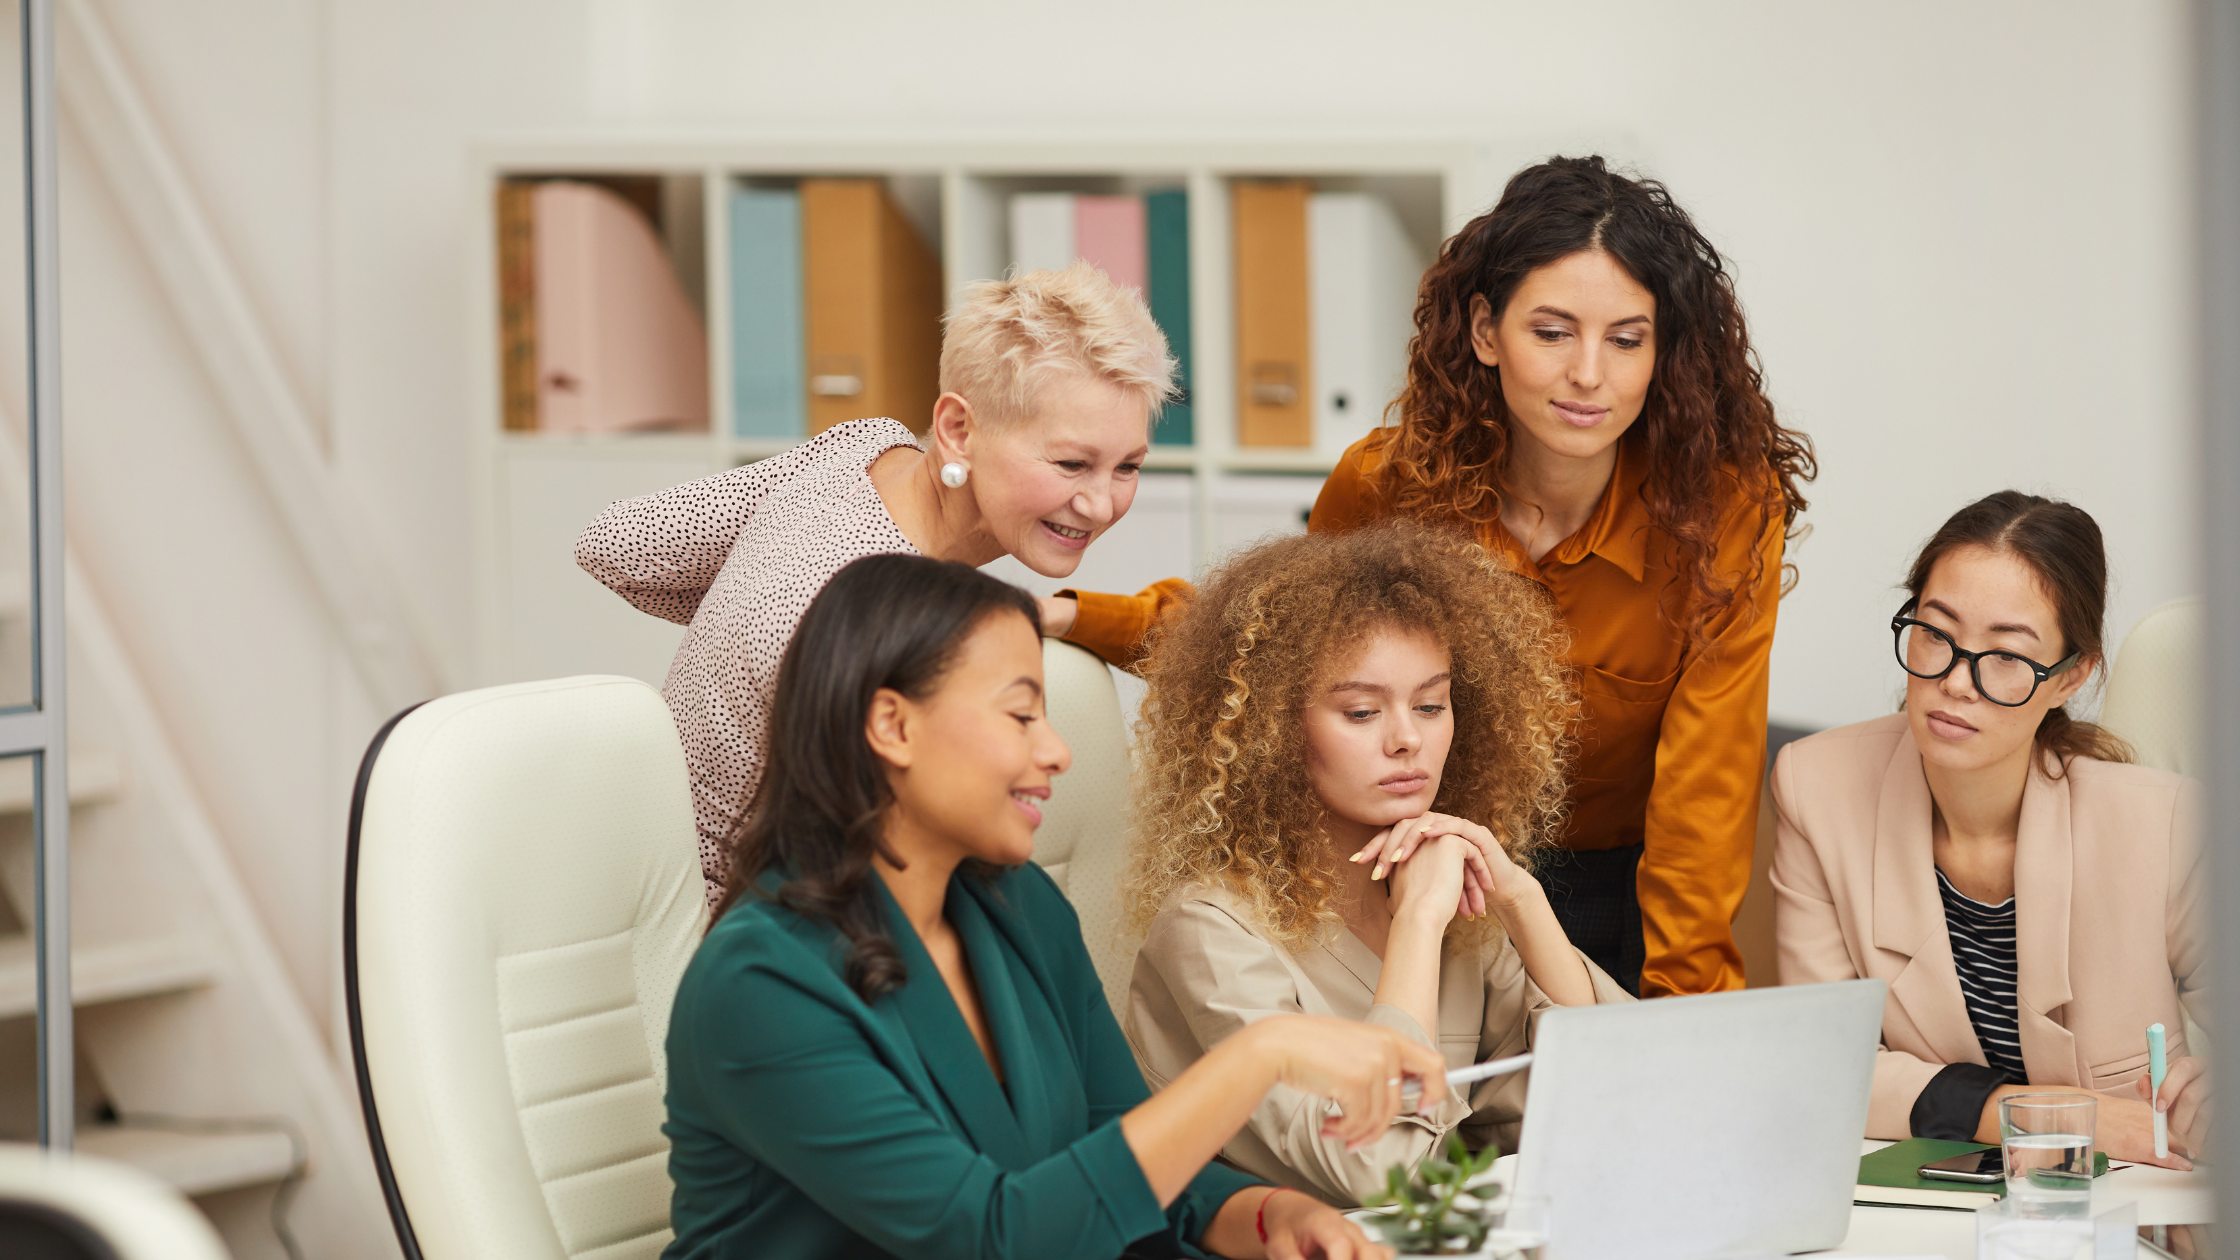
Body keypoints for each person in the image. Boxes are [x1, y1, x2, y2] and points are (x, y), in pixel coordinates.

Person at [1051, 157, 1816, 997]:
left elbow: (1703, 799)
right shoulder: (1388, 484)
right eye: (1552, 333)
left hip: (1626, 892)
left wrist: (1680, 1022)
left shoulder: (1726, 512)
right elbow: (1271, 642)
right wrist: (1071, 614)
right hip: (1417, 873)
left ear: (1662, 349)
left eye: (1626, 339)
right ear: (1487, 332)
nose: (1589, 375)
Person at [664, 553, 1444, 1260]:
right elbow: (994, 1238)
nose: (1057, 751)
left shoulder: (1018, 906)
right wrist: (1263, 1054)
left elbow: (1130, 1160)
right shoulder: (760, 981)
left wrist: (1274, 1216)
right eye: (1020, 714)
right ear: (892, 725)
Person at [578, 262, 1185, 903]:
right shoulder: (882, 626)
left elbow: (620, 544)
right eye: (1071, 463)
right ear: (958, 430)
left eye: (1128, 467)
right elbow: (879, 880)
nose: (1099, 504)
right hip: (759, 936)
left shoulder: (861, 449)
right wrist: (772, 630)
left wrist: (745, 618)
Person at [1123, 521, 1633, 1207]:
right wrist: (1418, 925)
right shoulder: (1209, 933)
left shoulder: (1462, 907)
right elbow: (1375, 1174)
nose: (1407, 740)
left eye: (1431, 705)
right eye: (1361, 712)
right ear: (1271, 732)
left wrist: (1521, 899)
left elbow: (1618, 1098)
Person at [1770, 492, 2206, 1168]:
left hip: (2135, 1209)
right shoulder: (1816, 788)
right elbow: (1821, 1065)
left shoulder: (2166, 823)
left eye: (2007, 655)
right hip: (1924, 1202)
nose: (1957, 681)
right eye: (1936, 633)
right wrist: (2052, 1118)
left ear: (2072, 677)